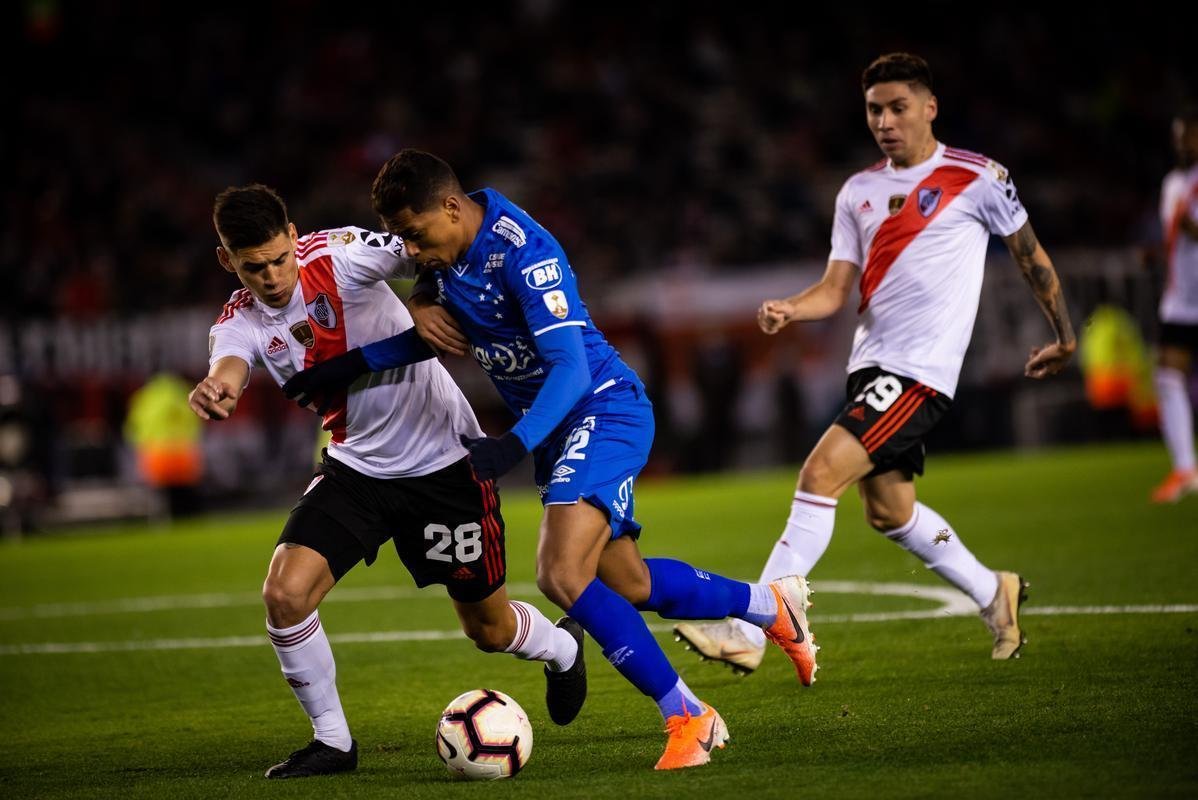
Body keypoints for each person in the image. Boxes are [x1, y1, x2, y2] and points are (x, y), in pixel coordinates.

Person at [282, 150, 818, 771]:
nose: (408, 248)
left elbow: (571, 366)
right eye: (400, 235)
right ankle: (769, 605)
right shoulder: (451, 256)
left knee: (560, 574)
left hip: (601, 410)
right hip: (562, 431)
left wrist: (513, 443)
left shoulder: (525, 253)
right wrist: (344, 369)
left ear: (451, 208)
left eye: (414, 233)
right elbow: (429, 338)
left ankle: (689, 715)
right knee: (627, 581)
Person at [673, 52, 1077, 673]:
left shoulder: (979, 178)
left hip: (920, 372)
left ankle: (749, 632)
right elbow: (836, 288)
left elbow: (1030, 255)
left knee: (818, 473)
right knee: (889, 510)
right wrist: (791, 307)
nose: (885, 121)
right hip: (871, 368)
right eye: (873, 110)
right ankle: (993, 591)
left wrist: (1064, 335)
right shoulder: (858, 191)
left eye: (897, 107)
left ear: (929, 107)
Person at [187, 184, 587, 780]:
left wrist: (423, 299)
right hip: (357, 469)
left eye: (279, 258)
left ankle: (563, 649)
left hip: (446, 464)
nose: (271, 276)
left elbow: (437, 245)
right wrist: (219, 386)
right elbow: (231, 365)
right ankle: (333, 743)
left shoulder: (343, 254)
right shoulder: (239, 320)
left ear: (295, 236)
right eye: (253, 267)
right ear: (228, 261)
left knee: (488, 628)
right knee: (284, 595)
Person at [1150, 110, 1198, 503]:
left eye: (1188, 135)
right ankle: (1185, 469)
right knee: (1167, 375)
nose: (1181, 142)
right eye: (1177, 135)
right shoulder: (1174, 183)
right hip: (1181, 300)